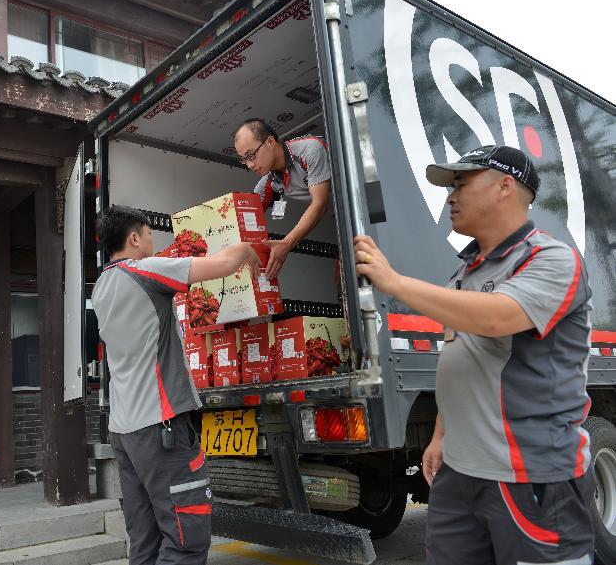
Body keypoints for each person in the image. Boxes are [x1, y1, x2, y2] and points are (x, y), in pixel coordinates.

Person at [353, 145, 594, 564]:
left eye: (460, 183)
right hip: (460, 471)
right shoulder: (465, 272)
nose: (450, 196)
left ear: (505, 186)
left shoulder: (551, 258)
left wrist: (394, 282)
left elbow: (498, 319)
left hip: (528, 472)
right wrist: (442, 436)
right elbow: (463, 359)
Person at [92, 205, 260, 565]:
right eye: (150, 233)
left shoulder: (102, 286)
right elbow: (223, 266)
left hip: (124, 432)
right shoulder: (145, 271)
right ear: (134, 238)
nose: (154, 241)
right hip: (160, 429)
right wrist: (247, 248)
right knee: (186, 539)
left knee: (146, 541)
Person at [233, 118, 332, 279]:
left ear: (270, 142)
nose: (249, 165)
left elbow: (320, 204)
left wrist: (286, 243)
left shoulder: (310, 149)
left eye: (251, 155)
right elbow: (244, 221)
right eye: (244, 159)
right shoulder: (268, 183)